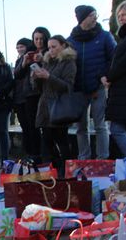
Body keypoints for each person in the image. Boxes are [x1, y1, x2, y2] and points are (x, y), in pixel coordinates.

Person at [68, 5, 116, 160]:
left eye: (96, 14)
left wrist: (104, 75)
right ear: (82, 18)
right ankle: (84, 159)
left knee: (100, 125)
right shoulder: (70, 40)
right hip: (78, 90)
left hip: (98, 87)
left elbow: (114, 58)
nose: (95, 18)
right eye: (92, 15)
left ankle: (103, 159)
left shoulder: (104, 36)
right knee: (81, 127)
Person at [33, 35, 77, 174]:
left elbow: (68, 86)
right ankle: (52, 171)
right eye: (49, 47)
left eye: (54, 46)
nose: (51, 50)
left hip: (59, 107)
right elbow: (40, 88)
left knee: (62, 141)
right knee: (46, 142)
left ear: (63, 46)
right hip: (45, 107)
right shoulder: (48, 62)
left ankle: (66, 171)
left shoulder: (68, 62)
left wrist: (48, 77)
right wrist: (36, 77)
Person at [14, 28, 50, 162]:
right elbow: (17, 75)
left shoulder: (49, 52)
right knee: (31, 126)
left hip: (45, 93)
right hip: (30, 94)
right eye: (36, 39)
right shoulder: (29, 53)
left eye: (41, 38)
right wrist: (24, 63)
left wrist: (41, 61)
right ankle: (35, 155)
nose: (39, 41)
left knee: (46, 127)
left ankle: (47, 155)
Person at [106, 0, 126, 157]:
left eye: (124, 14)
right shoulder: (124, 38)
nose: (120, 18)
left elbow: (125, 62)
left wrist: (109, 76)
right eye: (119, 15)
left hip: (125, 90)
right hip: (121, 90)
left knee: (117, 129)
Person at [12, 37, 35, 158]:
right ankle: (28, 152)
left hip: (28, 96)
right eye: (17, 47)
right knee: (25, 127)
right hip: (19, 97)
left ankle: (33, 153)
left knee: (31, 127)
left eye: (21, 46)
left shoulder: (31, 58)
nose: (19, 49)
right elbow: (16, 76)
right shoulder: (18, 61)